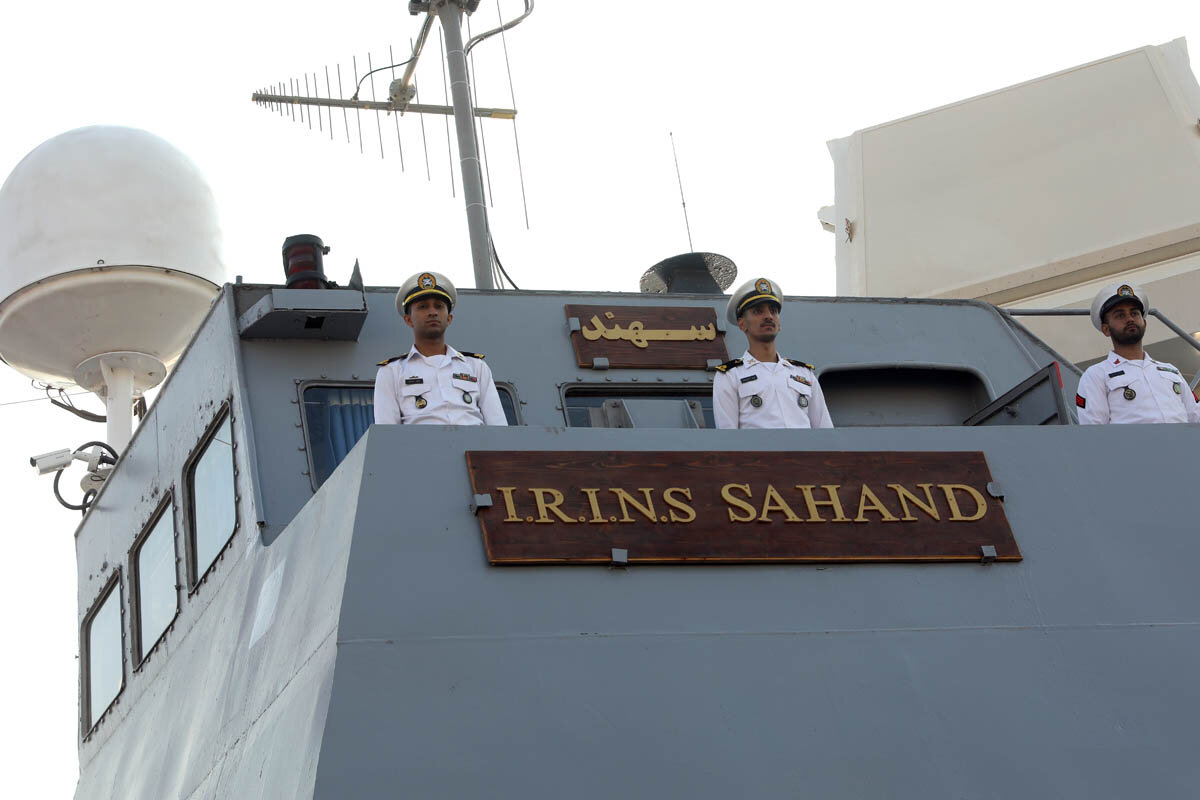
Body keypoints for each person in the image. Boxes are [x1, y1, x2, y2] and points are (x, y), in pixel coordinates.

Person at [374, 271, 508, 426]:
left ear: (449, 318)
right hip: (419, 442)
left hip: (475, 441)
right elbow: (387, 432)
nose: (432, 312)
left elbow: (498, 426)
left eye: (439, 306)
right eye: (423, 307)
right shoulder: (391, 372)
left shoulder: (476, 367)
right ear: (408, 320)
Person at [712, 277, 834, 429]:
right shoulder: (730, 376)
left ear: (779, 324)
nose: (768, 316)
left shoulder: (804, 374)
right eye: (758, 311)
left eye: (773, 311)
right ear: (742, 324)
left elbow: (825, 431)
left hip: (805, 446)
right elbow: (728, 436)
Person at [1075, 282, 1200, 425]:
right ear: (1106, 329)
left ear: (1144, 323)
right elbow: (1093, 431)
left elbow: (1196, 417)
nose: (1130, 319)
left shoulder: (1171, 370)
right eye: (1120, 315)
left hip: (1182, 440)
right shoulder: (1096, 375)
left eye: (1134, 313)